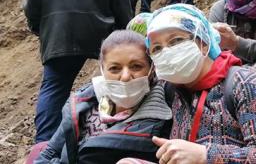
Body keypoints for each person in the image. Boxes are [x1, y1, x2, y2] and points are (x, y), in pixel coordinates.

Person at [119, 4, 256, 163]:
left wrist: (205, 155)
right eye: (157, 48)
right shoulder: (170, 89)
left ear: (204, 44)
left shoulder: (245, 83)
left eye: (176, 41)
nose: (167, 52)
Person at [23, 0, 132, 143]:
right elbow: (123, 8)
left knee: (53, 89)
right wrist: (123, 43)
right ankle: (107, 135)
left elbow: (31, 3)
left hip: (58, 35)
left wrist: (41, 30)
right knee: (110, 82)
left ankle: (43, 145)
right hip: (99, 36)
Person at [33, 30, 172, 163]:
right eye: (114, 68)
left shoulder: (162, 120)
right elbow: (51, 151)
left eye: (136, 66)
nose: (125, 77)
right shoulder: (83, 104)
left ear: (151, 70)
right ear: (102, 70)